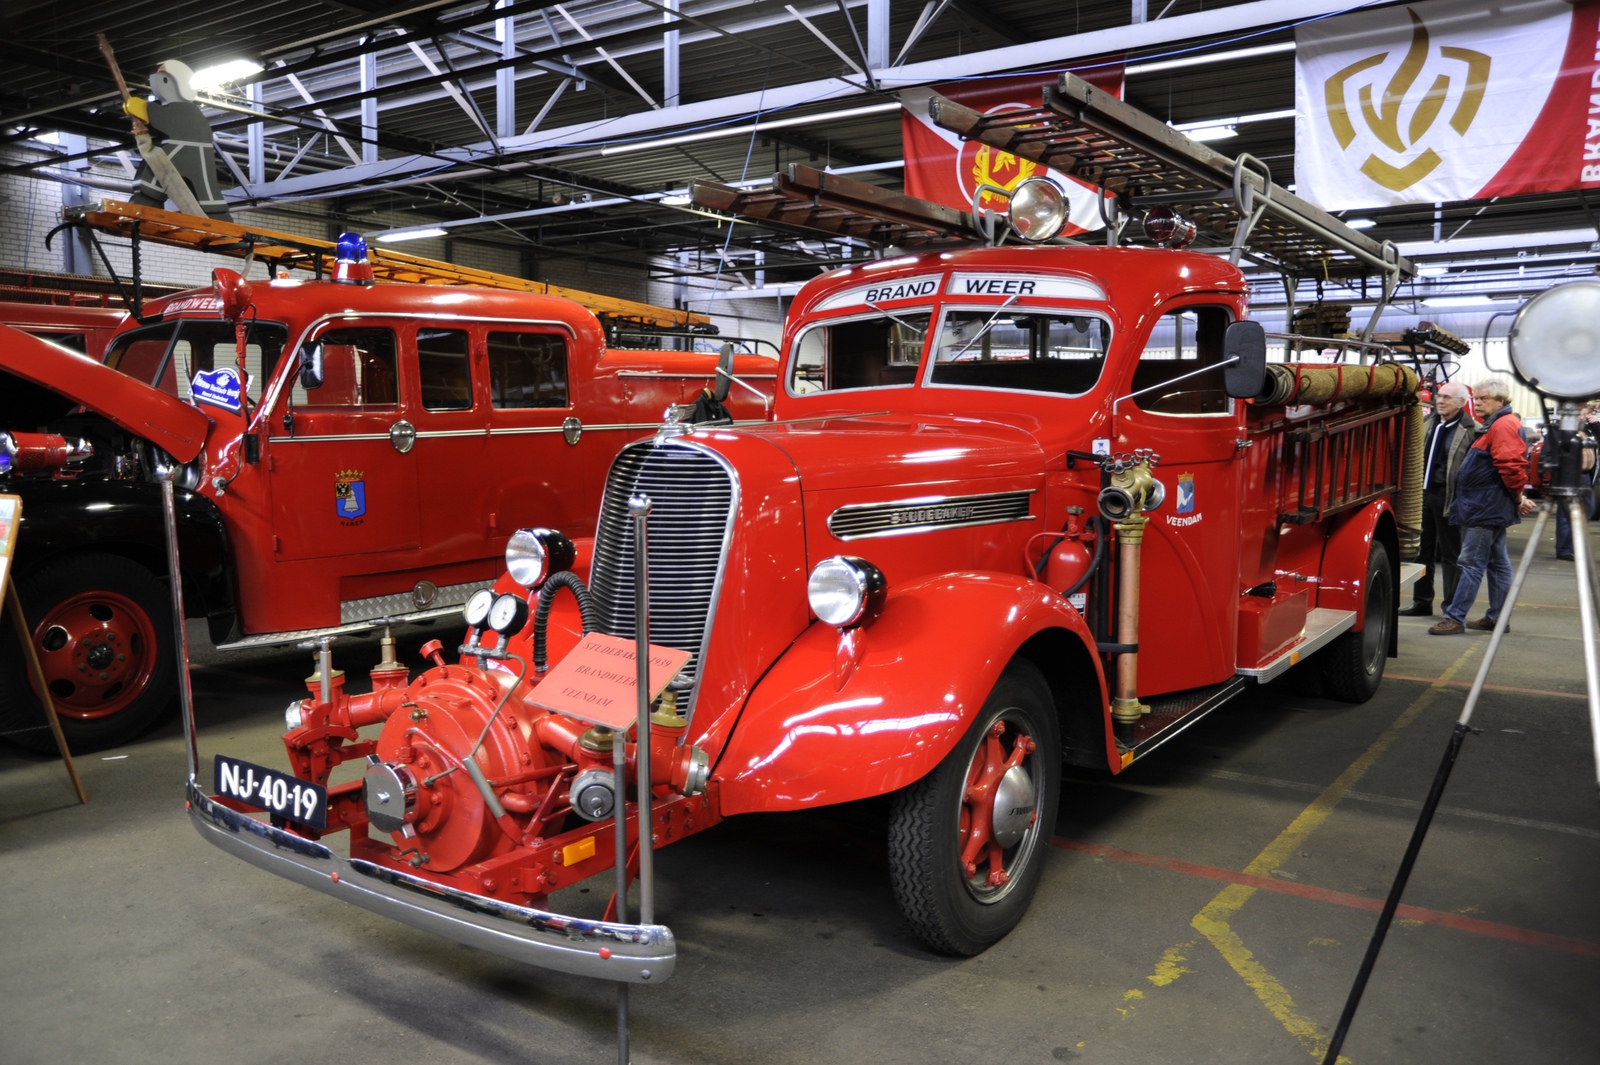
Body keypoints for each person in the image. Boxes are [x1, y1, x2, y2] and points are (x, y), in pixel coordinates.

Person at [1430, 377, 1537, 635]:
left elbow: (1511, 468)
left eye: (1484, 399)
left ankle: (1455, 618)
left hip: (1484, 508)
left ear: (1501, 400)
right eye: (1475, 398)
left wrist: (1516, 498)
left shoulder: (1503, 425)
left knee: (1470, 563)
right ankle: (1497, 618)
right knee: (1497, 563)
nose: (1477, 403)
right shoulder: (1496, 424)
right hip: (1485, 506)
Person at [1399, 381, 1477, 617]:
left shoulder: (1472, 429)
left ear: (1461, 403)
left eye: (1447, 397)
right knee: (1422, 551)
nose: (1440, 401)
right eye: (1439, 396)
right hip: (1423, 495)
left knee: (1452, 555)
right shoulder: (1427, 423)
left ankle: (1451, 607)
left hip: (1450, 497)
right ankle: (1422, 602)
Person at [125, 59, 233, 221]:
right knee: (153, 175)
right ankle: (145, 207)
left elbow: (164, 120)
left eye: (164, 80)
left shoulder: (187, 110)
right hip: (179, 149)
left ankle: (220, 219)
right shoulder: (174, 108)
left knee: (202, 189)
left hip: (192, 153)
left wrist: (143, 109)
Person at [1552, 402, 1599, 561]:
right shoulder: (1562, 429)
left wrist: (1596, 425)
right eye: (1581, 410)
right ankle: (1565, 550)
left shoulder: (1586, 429)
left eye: (1585, 410)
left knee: (1587, 510)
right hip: (1569, 475)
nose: (1585, 413)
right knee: (1566, 514)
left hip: (1585, 475)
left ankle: (1574, 546)